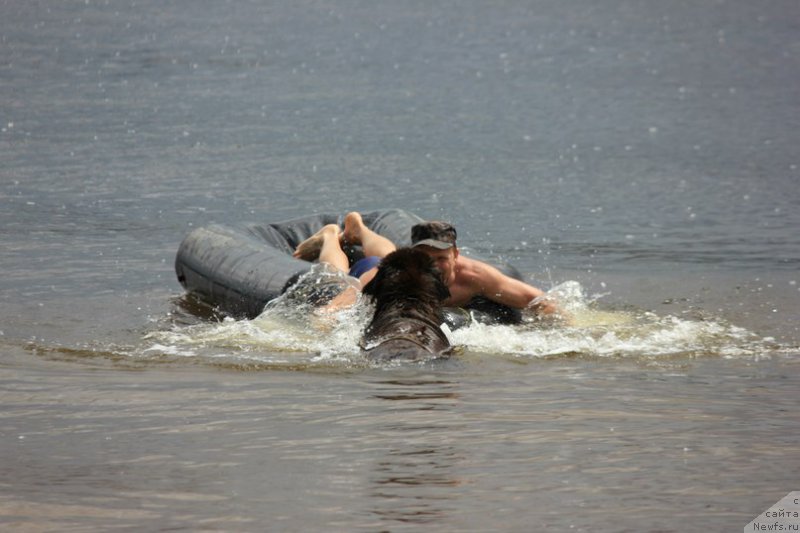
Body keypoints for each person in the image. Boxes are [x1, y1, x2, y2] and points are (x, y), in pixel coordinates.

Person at [293, 212, 560, 318]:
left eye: (441, 258)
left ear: (456, 254)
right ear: (414, 254)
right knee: (336, 274)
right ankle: (330, 235)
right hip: (372, 267)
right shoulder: (390, 274)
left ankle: (359, 230)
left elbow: (540, 301)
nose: (434, 266)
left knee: (388, 254)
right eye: (426, 258)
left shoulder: (475, 276)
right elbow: (332, 310)